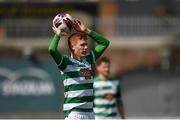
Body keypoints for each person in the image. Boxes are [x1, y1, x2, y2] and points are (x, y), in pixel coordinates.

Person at [48, 18, 109, 119]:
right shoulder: (66, 62)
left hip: (90, 113)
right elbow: (52, 49)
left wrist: (87, 31)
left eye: (86, 45)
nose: (85, 47)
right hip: (75, 114)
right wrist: (57, 35)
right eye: (82, 45)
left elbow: (104, 43)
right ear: (72, 47)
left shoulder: (88, 60)